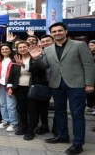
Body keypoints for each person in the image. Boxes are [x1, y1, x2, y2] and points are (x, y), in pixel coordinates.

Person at [30, 22, 95, 155]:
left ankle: (78, 143)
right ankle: (63, 136)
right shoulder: (48, 49)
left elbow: (88, 65)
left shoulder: (79, 45)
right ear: (52, 34)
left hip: (76, 84)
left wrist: (89, 83)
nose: (57, 33)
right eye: (54, 31)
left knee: (77, 114)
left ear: (65, 31)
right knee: (59, 112)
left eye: (60, 30)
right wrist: (36, 59)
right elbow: (45, 67)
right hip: (56, 84)